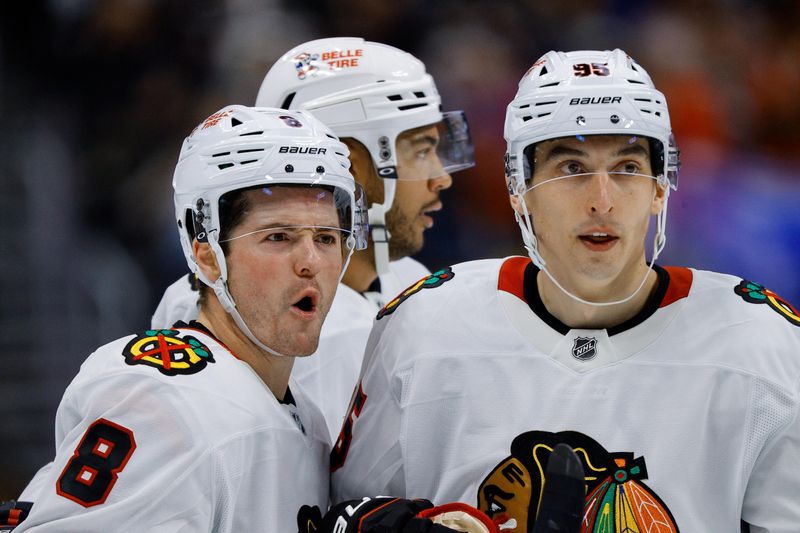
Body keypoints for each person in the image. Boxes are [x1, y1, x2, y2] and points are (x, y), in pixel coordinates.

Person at [330, 49, 800, 532]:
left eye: (628, 167)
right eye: (571, 168)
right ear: (519, 186)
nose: (602, 201)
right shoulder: (422, 325)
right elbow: (347, 512)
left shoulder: (763, 343)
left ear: (661, 186)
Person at [11, 105, 366, 531]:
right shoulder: (160, 394)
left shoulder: (306, 417)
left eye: (326, 238)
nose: (311, 262)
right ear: (208, 255)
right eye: (278, 236)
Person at [152, 37, 475, 441]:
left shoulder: (403, 280)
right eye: (421, 150)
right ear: (350, 163)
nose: (441, 176)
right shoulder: (267, 321)